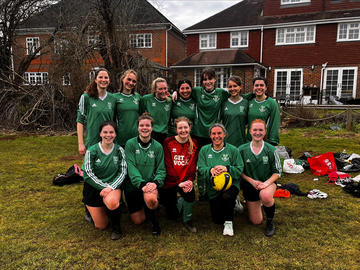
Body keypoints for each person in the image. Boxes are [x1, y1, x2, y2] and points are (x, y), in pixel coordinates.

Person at [82, 121, 127, 240]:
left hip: (112, 187)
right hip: (93, 188)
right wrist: (103, 186)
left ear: (115, 134)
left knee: (112, 203)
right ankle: (88, 207)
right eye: (105, 132)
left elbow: (123, 172)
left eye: (111, 132)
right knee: (101, 226)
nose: (108, 135)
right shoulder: (92, 150)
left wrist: (111, 187)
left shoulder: (119, 150)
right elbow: (87, 173)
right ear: (100, 134)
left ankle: (117, 229)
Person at [197, 123, 243, 236]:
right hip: (213, 187)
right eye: (213, 133)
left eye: (219, 133)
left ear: (225, 134)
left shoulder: (233, 150)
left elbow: (239, 169)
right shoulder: (204, 150)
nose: (216, 136)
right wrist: (210, 170)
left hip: (231, 186)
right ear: (210, 136)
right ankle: (233, 204)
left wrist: (226, 168)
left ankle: (229, 223)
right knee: (217, 220)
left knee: (227, 197)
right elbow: (201, 168)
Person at [124, 113, 166, 236]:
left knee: (151, 199)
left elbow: (161, 169)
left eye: (147, 125)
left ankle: (155, 223)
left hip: (150, 185)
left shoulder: (158, 146)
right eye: (141, 125)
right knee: (138, 221)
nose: (144, 128)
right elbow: (131, 167)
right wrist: (141, 183)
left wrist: (155, 183)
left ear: (152, 128)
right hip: (134, 185)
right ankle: (146, 207)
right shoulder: (130, 144)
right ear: (137, 127)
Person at [238, 119, 282, 237]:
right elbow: (239, 171)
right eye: (255, 130)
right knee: (256, 221)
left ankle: (270, 221)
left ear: (265, 132)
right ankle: (253, 203)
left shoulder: (271, 150)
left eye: (261, 130)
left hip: (266, 184)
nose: (258, 133)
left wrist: (265, 184)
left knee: (265, 196)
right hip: (250, 185)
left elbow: (277, 172)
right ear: (250, 131)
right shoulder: (242, 149)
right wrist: (252, 181)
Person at [161, 117, 199, 233]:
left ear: (190, 128)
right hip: (171, 181)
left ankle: (187, 220)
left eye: (185, 127)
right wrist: (179, 182)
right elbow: (168, 164)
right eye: (180, 128)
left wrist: (190, 181)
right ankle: (177, 205)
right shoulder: (168, 142)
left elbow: (192, 166)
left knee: (190, 194)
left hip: (185, 180)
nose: (183, 130)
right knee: (172, 216)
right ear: (176, 129)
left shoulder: (194, 144)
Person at [77, 68, 117, 155]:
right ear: (95, 80)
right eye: (100, 77)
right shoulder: (86, 97)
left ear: (109, 80)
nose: (103, 80)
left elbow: (114, 122)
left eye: (106, 78)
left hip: (109, 142)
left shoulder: (113, 99)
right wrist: (80, 143)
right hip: (92, 141)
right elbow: (80, 121)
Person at [247, 77, 280, 146]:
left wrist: (272, 141)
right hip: (250, 141)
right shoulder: (249, 101)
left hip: (265, 141)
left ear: (266, 88)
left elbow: (275, 122)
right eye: (256, 85)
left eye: (261, 85)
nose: (259, 87)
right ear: (253, 87)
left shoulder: (271, 103)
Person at [140, 77, 172, 144]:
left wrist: (175, 93)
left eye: (165, 88)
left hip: (165, 134)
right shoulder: (146, 99)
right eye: (160, 89)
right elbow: (140, 114)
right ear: (154, 89)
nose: (163, 91)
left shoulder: (170, 100)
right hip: (151, 133)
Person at [114, 69, 141, 147]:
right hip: (120, 138)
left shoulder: (138, 97)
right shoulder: (114, 97)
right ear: (123, 79)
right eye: (128, 79)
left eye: (134, 81)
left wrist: (173, 94)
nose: (131, 83)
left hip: (135, 138)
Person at [221, 75, 248, 147]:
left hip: (241, 142)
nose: (232, 89)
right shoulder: (224, 103)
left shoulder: (246, 103)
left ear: (241, 87)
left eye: (235, 86)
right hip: (226, 142)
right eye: (230, 86)